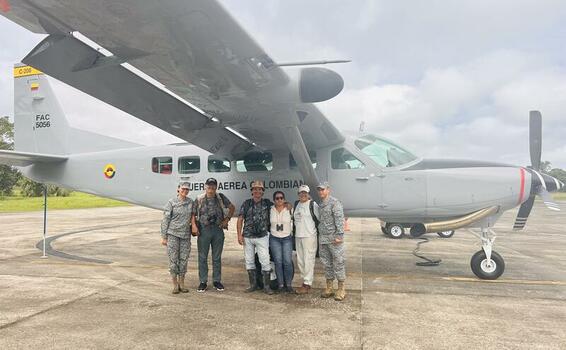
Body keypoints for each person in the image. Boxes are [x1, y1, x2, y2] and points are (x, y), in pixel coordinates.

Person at [191, 177, 235, 292]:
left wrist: (227, 219)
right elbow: (193, 214)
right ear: (205, 186)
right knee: (202, 257)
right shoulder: (199, 199)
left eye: (213, 185)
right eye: (209, 185)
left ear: (216, 186)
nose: (211, 188)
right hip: (204, 230)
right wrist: (194, 226)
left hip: (217, 229)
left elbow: (232, 207)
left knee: (216, 257)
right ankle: (203, 281)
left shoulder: (221, 197)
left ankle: (217, 281)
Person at [237, 180, 274, 295]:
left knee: (265, 261)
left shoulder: (267, 203)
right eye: (255, 189)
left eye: (259, 189)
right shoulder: (246, 203)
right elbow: (240, 219)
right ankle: (253, 285)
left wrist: (287, 205)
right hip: (248, 236)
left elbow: (279, 207)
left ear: (263, 191)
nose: (257, 191)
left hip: (262, 236)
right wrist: (239, 235)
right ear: (252, 191)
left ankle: (267, 286)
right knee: (249, 261)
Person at [160, 182, 193, 294]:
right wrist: (164, 237)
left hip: (185, 236)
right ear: (178, 189)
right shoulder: (171, 202)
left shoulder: (190, 202)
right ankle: (175, 284)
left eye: (187, 189)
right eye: (183, 189)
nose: (185, 191)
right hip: (173, 234)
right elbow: (165, 220)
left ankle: (182, 283)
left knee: (184, 260)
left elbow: (193, 216)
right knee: (173, 260)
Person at [316, 181, 347, 301]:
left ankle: (341, 288)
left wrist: (340, 235)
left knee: (338, 262)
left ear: (328, 190)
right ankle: (329, 287)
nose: (321, 191)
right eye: (319, 190)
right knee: (326, 263)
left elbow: (339, 219)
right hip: (323, 238)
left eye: (323, 189)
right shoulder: (321, 204)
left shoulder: (335, 203)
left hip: (334, 238)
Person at [293, 185, 320, 295]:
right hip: (298, 236)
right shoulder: (296, 204)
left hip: (309, 236)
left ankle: (307, 283)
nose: (303, 195)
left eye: (305, 193)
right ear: (298, 194)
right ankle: (305, 280)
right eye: (301, 193)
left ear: (308, 194)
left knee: (308, 260)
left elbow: (319, 219)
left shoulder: (313, 205)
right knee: (300, 260)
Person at [269, 190, 294, 293]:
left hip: (287, 238)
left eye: (281, 198)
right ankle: (280, 285)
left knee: (287, 262)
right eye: (277, 198)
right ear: (274, 200)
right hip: (274, 238)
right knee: (278, 262)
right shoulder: (270, 209)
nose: (279, 200)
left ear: (284, 199)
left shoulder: (289, 209)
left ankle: (288, 285)